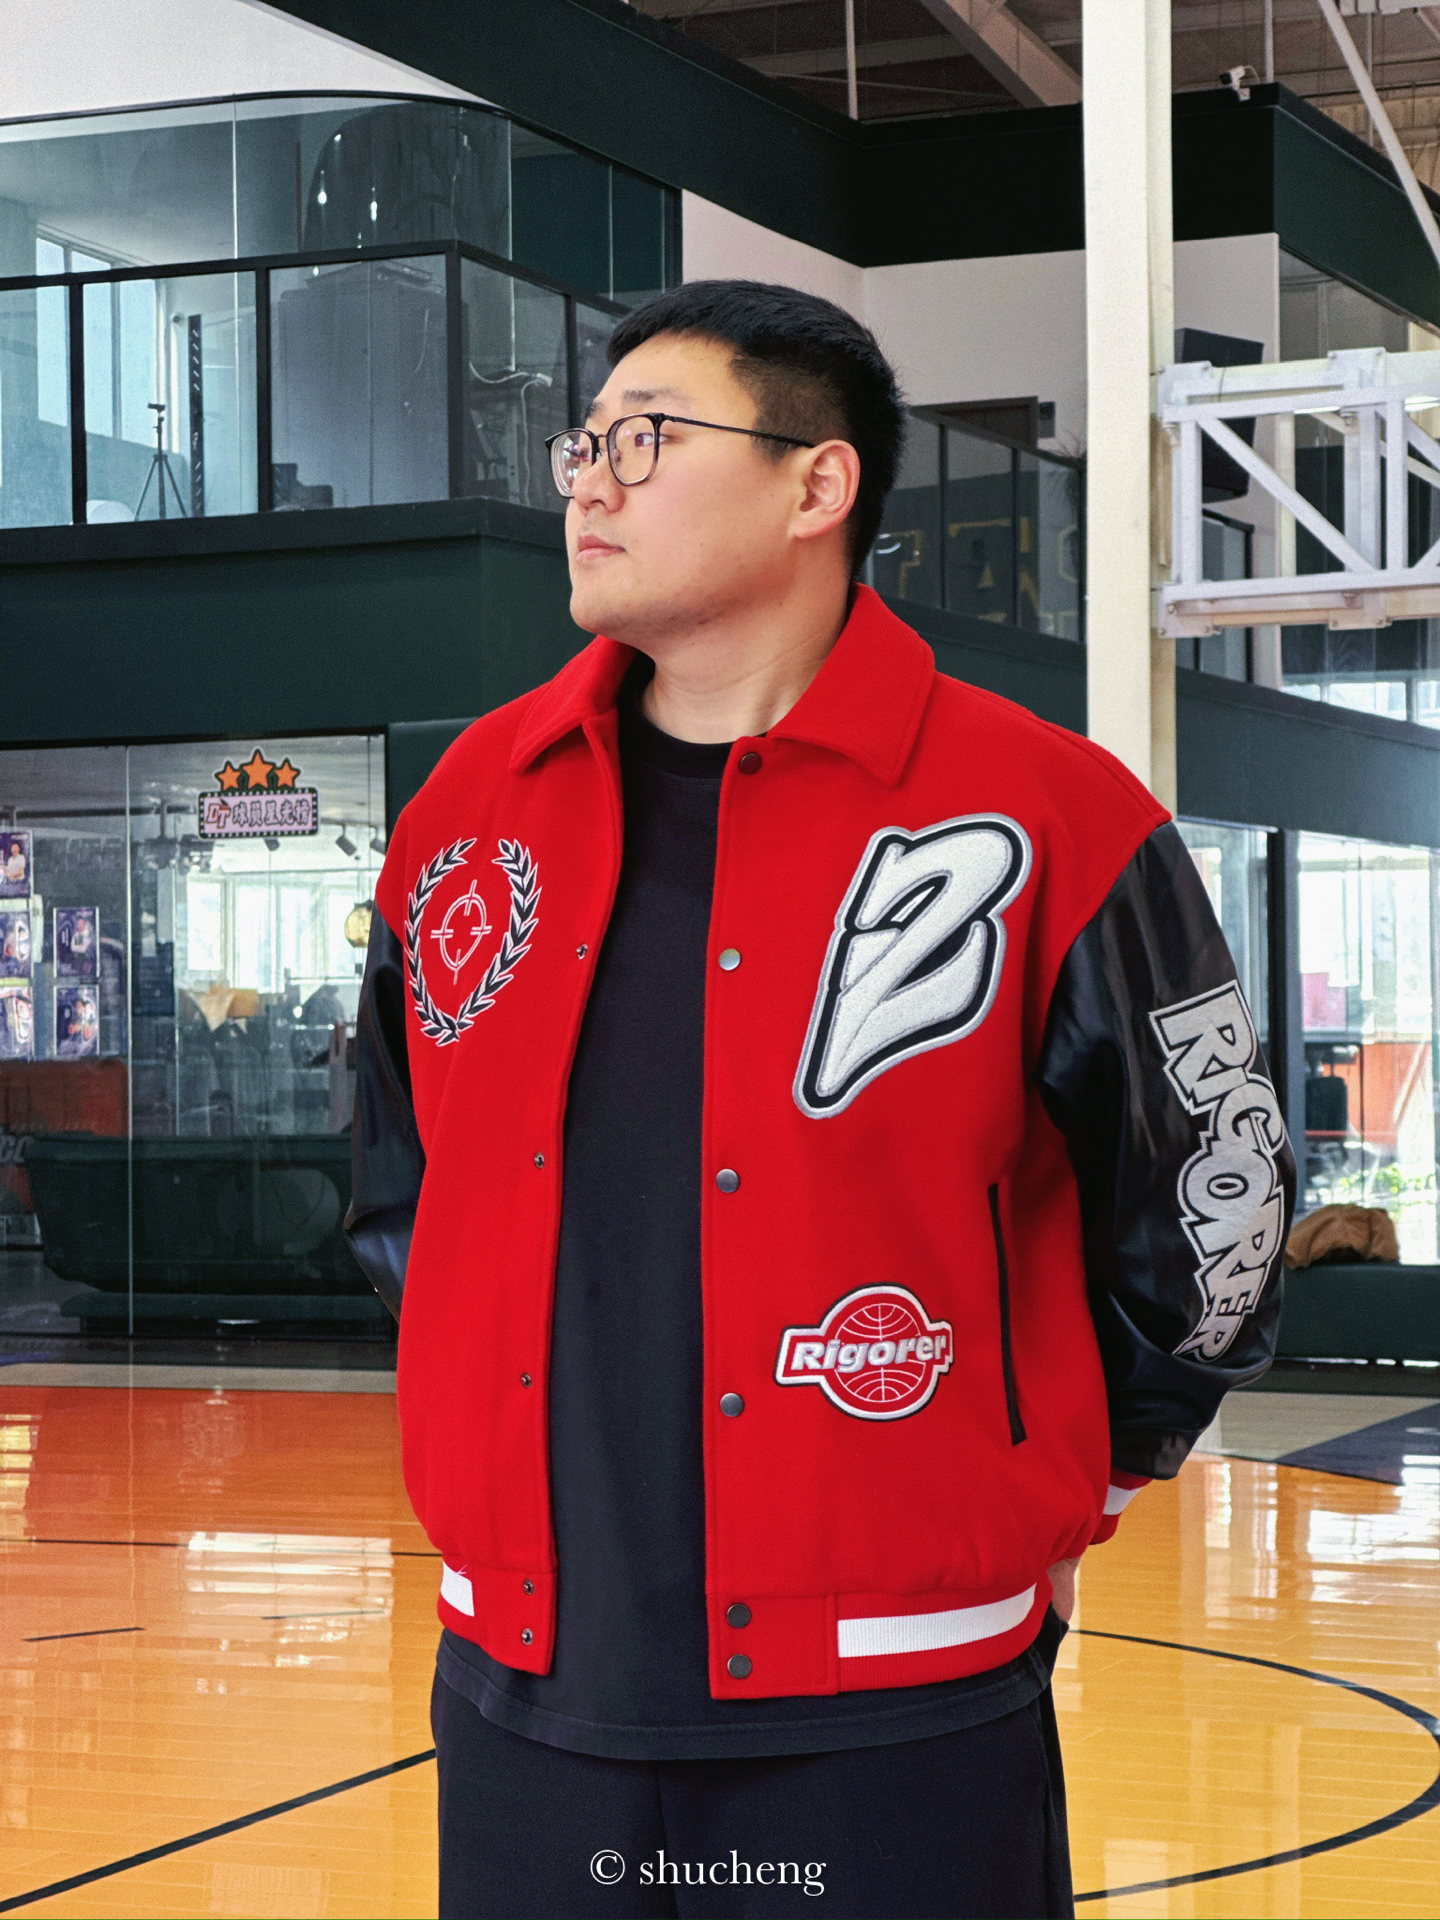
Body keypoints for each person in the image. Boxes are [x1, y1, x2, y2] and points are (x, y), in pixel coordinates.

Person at [345, 280, 1294, 1920]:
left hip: (897, 1707)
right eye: (583, 444)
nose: (587, 481)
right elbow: (398, 1184)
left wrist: (1074, 1489)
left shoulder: (1050, 815)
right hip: (521, 1686)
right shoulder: (464, 812)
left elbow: (1217, 1208)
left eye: (647, 438)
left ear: (817, 483)